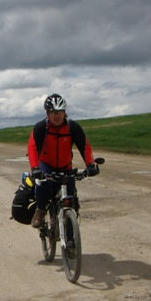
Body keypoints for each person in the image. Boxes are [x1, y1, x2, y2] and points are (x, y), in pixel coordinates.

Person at [27, 93, 98, 228]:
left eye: (60, 111)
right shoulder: (41, 127)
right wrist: (35, 168)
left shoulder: (73, 127)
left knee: (71, 202)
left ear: (65, 112)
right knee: (42, 186)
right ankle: (40, 211)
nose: (57, 115)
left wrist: (90, 164)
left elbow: (84, 146)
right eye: (53, 112)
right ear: (47, 113)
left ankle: (71, 244)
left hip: (66, 167)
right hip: (46, 165)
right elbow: (32, 147)